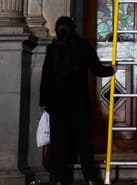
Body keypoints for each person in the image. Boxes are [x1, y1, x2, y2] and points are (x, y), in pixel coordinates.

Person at [39, 16, 116, 185]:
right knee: (84, 143)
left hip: (57, 105)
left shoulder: (52, 49)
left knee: (59, 144)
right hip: (79, 104)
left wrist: (43, 102)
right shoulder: (83, 46)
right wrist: (111, 70)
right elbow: (97, 69)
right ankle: (90, 178)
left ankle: (59, 178)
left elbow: (46, 77)